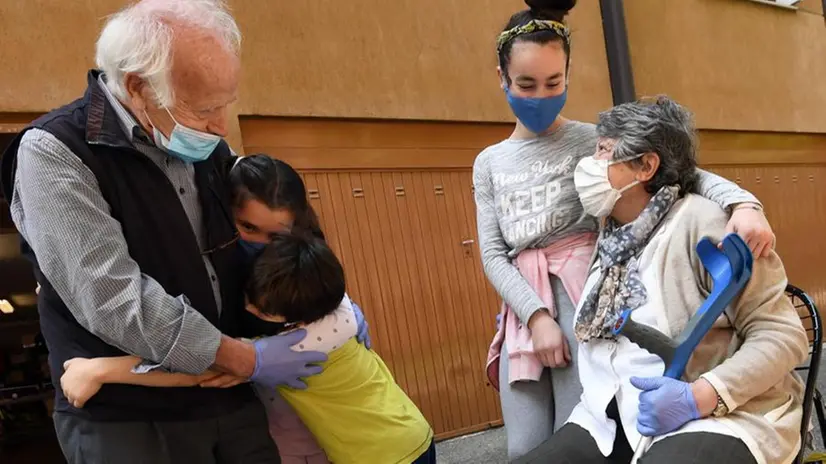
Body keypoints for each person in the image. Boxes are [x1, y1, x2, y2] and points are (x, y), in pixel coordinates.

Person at [0, 2, 364, 462]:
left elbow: (276, 225)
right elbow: (112, 297)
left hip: (231, 400)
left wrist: (332, 307)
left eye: (226, 105)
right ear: (136, 86)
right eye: (206, 108)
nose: (221, 125)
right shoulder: (55, 152)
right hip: (134, 420)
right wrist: (242, 358)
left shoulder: (204, 145)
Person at [475, 0, 777, 460]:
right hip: (526, 302)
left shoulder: (590, 139)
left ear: (568, 76)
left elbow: (680, 172)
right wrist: (535, 315)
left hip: (586, 295)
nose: (540, 95)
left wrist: (743, 202)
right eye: (526, 84)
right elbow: (493, 252)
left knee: (590, 417)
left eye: (554, 82)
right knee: (524, 446)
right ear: (502, 78)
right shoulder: (490, 162)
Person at [515, 96, 808, 464]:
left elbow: (783, 335)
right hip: (608, 417)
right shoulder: (611, 233)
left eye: (605, 151)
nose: (589, 164)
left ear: (646, 166)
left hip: (718, 417)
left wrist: (701, 395)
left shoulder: (705, 223)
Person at [60, 230, 436, 464]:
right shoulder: (338, 307)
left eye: (263, 309)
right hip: (411, 432)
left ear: (294, 316)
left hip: (381, 457)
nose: (249, 308)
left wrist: (99, 369)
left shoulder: (294, 350)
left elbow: (196, 369)